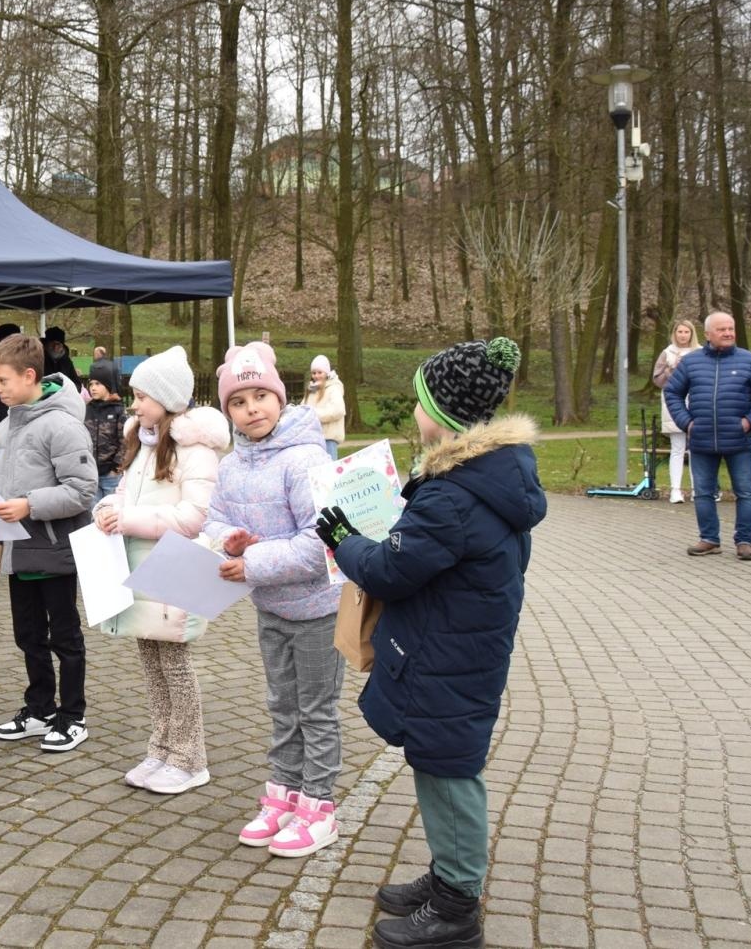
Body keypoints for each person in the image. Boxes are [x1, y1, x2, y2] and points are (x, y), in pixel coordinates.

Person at [318, 337, 546, 949]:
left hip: (447, 654)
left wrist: (342, 538)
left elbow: (392, 569)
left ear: (441, 412)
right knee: (438, 762)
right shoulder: (482, 477)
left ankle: (458, 909)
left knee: (450, 772)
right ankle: (448, 878)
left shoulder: (452, 493)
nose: (412, 411)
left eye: (418, 400)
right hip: (456, 646)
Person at [200, 341, 340, 859]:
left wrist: (252, 563)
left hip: (319, 608)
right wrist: (229, 539)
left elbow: (324, 540)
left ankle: (320, 805)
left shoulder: (306, 459)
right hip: (271, 607)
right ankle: (283, 795)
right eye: (239, 400)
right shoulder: (232, 464)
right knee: (282, 705)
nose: (251, 408)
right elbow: (212, 520)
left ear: (280, 398)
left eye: (261, 395)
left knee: (316, 710)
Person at [93, 344, 228, 795]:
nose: (134, 404)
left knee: (175, 666)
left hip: (173, 574)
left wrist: (127, 520)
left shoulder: (195, 451)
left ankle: (190, 758)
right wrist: (109, 507)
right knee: (151, 664)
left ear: (167, 399)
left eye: (142, 396)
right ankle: (162, 748)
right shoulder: (145, 443)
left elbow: (195, 517)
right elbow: (127, 493)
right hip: (142, 571)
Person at [0, 333, 97, 753]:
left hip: (54, 550)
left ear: (30, 376)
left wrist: (28, 506)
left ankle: (73, 715)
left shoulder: (62, 425)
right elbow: (1, 484)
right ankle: (40, 707)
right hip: (15, 550)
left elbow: (83, 491)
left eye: (3, 381)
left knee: (65, 637)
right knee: (28, 636)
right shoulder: (6, 427)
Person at [662, 311, 751, 561]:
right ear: (708, 334)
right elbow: (672, 393)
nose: (728, 333)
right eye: (722, 329)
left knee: (745, 491)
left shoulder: (750, 361)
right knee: (702, 492)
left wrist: (750, 422)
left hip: (739, 440)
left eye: (731, 328)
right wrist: (686, 423)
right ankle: (709, 539)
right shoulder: (691, 362)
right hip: (701, 440)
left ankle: (745, 541)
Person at [651, 319, 701, 503]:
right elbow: (657, 380)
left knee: (697, 449)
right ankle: (675, 489)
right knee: (677, 448)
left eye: (686, 332)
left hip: (696, 403)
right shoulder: (667, 352)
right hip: (674, 403)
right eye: (679, 332)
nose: (683, 335)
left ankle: (698, 489)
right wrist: (671, 369)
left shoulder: (700, 352)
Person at [85, 357, 126, 497]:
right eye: (91, 384)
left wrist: (116, 467)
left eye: (98, 384)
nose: (93, 388)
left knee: (110, 512)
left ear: (108, 386)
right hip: (91, 474)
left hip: (111, 475)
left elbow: (125, 441)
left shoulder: (118, 411)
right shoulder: (86, 409)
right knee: (92, 514)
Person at [302, 354, 347, 459]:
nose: (316, 376)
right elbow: (303, 409)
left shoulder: (334, 388)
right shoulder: (312, 390)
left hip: (328, 439)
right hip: (312, 439)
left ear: (326, 373)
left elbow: (338, 410)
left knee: (329, 472)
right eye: (314, 373)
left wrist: (313, 414)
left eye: (319, 372)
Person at [41, 326, 83, 391]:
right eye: (52, 344)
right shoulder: (39, 359)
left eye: (58, 344)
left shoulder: (66, 361)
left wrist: (67, 390)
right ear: (46, 344)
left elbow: (77, 384)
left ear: (62, 345)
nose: (55, 347)